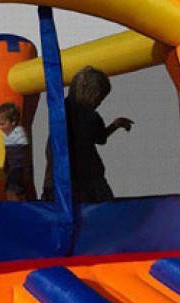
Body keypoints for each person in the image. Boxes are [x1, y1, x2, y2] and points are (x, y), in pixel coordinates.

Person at [43, 66, 133, 203]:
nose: (99, 104)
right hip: (85, 177)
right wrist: (115, 125)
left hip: (59, 177)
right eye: (99, 100)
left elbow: (99, 137)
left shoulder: (61, 108)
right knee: (100, 209)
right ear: (92, 95)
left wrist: (115, 125)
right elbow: (100, 137)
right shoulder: (89, 116)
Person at [0, 102, 35, 201]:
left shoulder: (18, 132)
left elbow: (25, 151)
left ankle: (18, 208)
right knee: (10, 191)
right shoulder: (7, 135)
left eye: (2, 124)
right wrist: (6, 163)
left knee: (11, 191)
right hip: (13, 168)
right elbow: (8, 151)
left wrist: (27, 170)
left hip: (20, 168)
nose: (0, 127)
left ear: (13, 122)